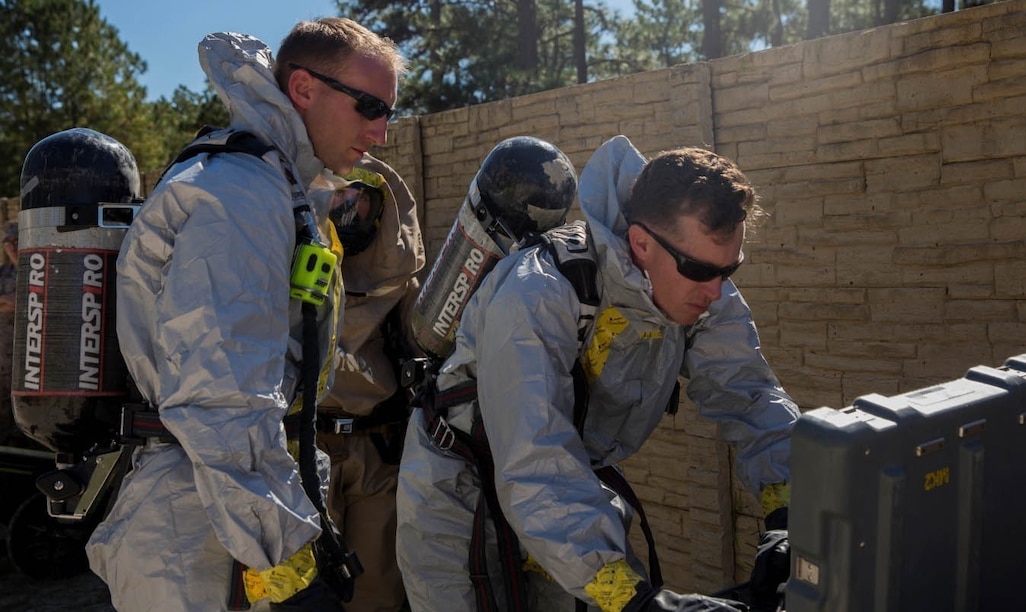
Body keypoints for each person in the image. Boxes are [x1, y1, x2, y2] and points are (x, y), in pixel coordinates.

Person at [396, 135, 799, 611]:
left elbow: (750, 397)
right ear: (641, 243)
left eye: (728, 270)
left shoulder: (702, 290)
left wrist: (793, 516)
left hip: (568, 487)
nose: (715, 291)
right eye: (698, 269)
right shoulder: (537, 292)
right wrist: (638, 603)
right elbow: (533, 459)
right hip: (459, 492)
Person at [86, 17, 405, 612]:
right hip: (200, 525)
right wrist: (284, 557)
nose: (381, 133)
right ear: (304, 89)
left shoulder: (274, 188)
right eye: (368, 107)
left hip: (219, 510)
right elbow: (223, 394)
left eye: (389, 110)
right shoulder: (243, 195)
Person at [317, 152, 426, 612]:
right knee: (297, 589)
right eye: (335, 193)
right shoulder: (285, 270)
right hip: (302, 449)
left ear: (380, 207)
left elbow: (430, 356)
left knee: (376, 591)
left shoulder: (401, 287)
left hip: (376, 453)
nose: (344, 206)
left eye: (356, 197)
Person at [0, 221, 17, 446]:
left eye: (15, 241)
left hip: (24, 344)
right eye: (7, 242)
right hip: (3, 346)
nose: (12, 246)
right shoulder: (3, 272)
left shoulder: (37, 267)